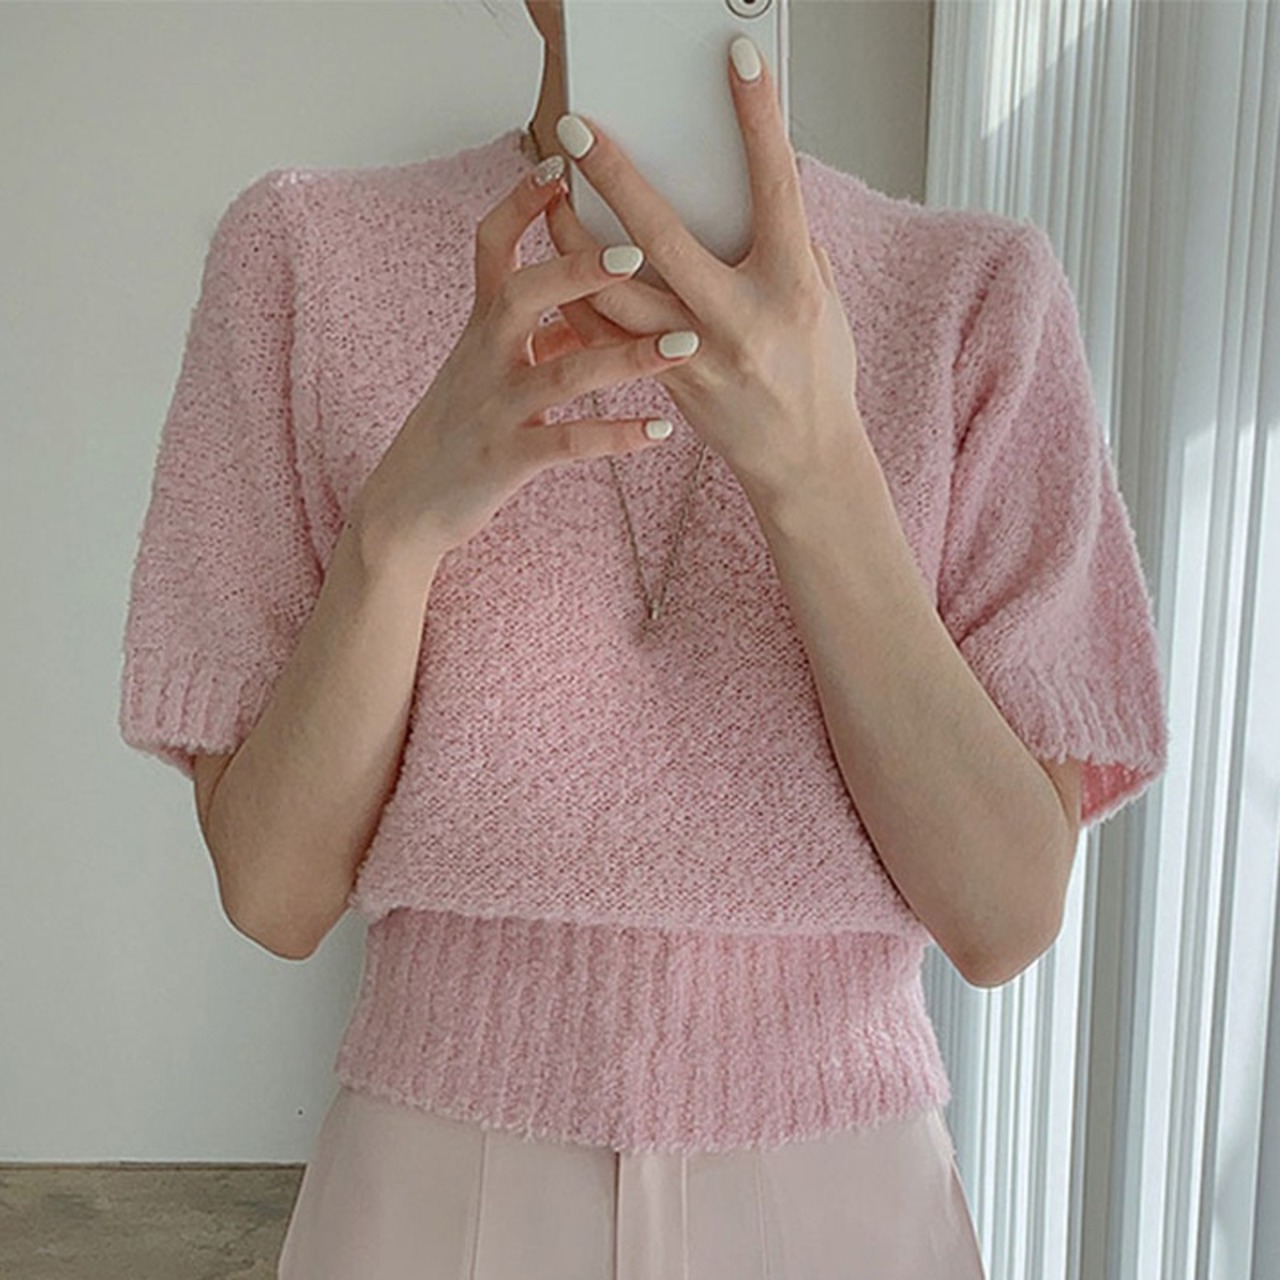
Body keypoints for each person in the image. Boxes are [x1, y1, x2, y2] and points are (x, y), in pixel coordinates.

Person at [117, 2, 1169, 1276]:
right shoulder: (305, 256)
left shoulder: (970, 295)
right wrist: (395, 531)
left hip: (843, 1197)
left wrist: (820, 475)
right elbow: (274, 891)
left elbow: (1003, 914)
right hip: (431, 1189)